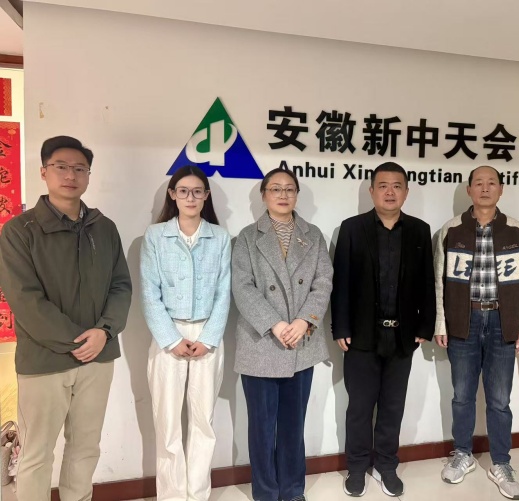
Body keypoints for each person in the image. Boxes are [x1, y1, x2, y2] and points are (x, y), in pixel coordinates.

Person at [0, 136, 132, 501]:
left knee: (86, 448)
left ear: (88, 175)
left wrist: (104, 332)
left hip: (98, 356)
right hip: (44, 360)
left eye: (79, 168)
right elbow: (25, 299)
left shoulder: (104, 228)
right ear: (44, 172)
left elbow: (121, 286)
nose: (70, 175)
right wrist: (77, 340)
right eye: (61, 167)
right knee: (36, 453)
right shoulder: (19, 231)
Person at [331, 161, 436, 497]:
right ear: (371, 190)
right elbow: (341, 281)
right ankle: (357, 466)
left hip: (403, 336)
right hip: (361, 336)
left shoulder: (419, 230)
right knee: (360, 407)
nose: (390, 192)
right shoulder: (352, 228)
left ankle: (386, 465)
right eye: (383, 186)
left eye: (397, 186)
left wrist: (425, 325)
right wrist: (340, 326)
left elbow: (427, 281)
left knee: (393, 406)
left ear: (406, 191)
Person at [231, 167, 333, 501]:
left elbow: (323, 282)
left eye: (290, 189)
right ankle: (265, 492)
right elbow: (243, 287)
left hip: (301, 342)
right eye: (275, 189)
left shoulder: (313, 235)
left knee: (293, 425)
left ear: (297, 194)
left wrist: (305, 321)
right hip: (261, 341)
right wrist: (274, 323)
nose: (283, 194)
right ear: (264, 195)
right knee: (261, 428)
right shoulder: (248, 236)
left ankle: (292, 490)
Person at [435, 165, 519, 500]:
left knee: (499, 399)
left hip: (502, 323)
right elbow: (439, 282)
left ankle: (501, 462)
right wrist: (441, 323)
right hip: (463, 321)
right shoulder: (451, 229)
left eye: (492, 182)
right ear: (469, 190)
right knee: (462, 395)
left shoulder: (515, 230)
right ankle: (462, 454)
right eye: (478, 183)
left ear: (501, 189)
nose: (485, 188)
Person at [140, 165, 231, 501]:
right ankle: (172, 495)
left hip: (208, 334)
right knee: (167, 422)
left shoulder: (219, 237)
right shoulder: (155, 236)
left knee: (203, 421)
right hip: (169, 334)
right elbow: (149, 293)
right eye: (183, 191)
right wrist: (172, 339)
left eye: (197, 191)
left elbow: (224, 292)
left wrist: (208, 338)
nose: (190, 198)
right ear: (172, 195)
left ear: (206, 196)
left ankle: (198, 493)